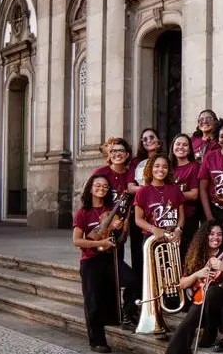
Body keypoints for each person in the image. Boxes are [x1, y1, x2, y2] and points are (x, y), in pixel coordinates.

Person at [165, 221, 223, 354]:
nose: (216, 238)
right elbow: (182, 284)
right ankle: (175, 350)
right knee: (193, 313)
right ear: (204, 236)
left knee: (213, 292)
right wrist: (196, 274)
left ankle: (210, 333)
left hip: (219, 303)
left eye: (219, 234)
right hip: (200, 298)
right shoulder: (196, 255)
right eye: (211, 234)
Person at [91, 137, 139, 326]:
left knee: (118, 270)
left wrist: (126, 224)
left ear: (127, 155)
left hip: (119, 232)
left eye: (121, 151)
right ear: (109, 155)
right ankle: (112, 313)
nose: (117, 154)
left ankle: (124, 313)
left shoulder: (131, 175)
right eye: (113, 151)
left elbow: (130, 204)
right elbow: (91, 202)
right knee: (111, 274)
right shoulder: (101, 173)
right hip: (101, 232)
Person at [72, 174, 120, 353]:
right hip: (90, 261)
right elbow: (77, 241)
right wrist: (100, 243)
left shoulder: (111, 210)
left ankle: (124, 317)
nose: (101, 188)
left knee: (127, 284)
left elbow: (119, 237)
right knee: (93, 301)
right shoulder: (83, 212)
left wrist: (118, 228)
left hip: (109, 259)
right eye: (98, 185)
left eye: (105, 186)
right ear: (90, 188)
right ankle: (97, 340)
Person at [170, 133, 201, 264]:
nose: (181, 147)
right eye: (178, 144)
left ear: (189, 149)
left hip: (188, 218)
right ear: (172, 147)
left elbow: (194, 194)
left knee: (184, 254)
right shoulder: (168, 167)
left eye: (185, 145)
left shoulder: (194, 167)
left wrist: (172, 196)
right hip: (169, 218)